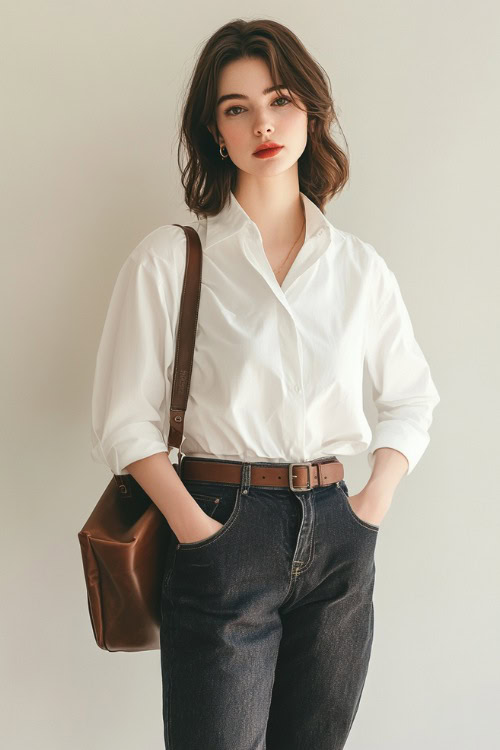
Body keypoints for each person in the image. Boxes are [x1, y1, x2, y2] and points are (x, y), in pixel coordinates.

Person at [90, 18, 440, 750]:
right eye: (236, 107)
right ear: (216, 132)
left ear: (310, 111)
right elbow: (125, 422)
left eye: (280, 99)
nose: (263, 123)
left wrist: (369, 507)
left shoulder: (357, 268)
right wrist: (201, 533)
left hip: (338, 530)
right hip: (221, 526)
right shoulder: (172, 259)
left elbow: (411, 398)